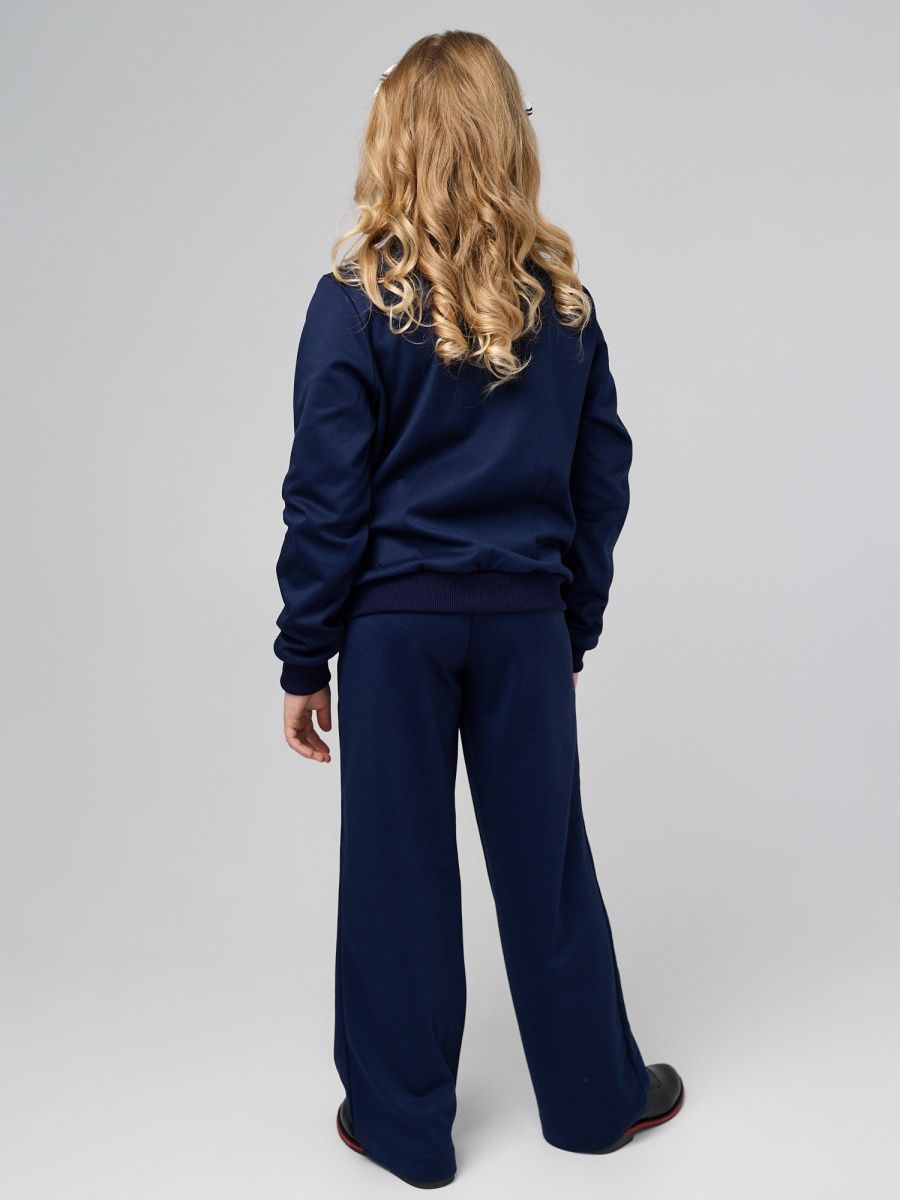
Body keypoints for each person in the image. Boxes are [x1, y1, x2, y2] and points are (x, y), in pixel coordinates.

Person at [274, 29, 683, 1190]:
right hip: (522, 624)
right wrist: (572, 620)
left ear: (393, 140)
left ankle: (403, 1128)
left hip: (392, 632)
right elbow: (602, 475)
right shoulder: (563, 307)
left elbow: (325, 495)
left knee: (396, 873)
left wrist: (306, 654)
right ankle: (594, 1103)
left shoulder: (352, 303)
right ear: (509, 139)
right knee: (545, 868)